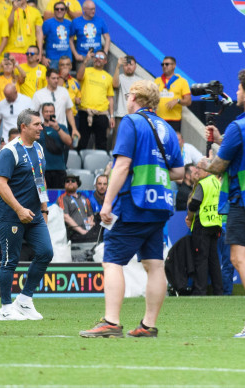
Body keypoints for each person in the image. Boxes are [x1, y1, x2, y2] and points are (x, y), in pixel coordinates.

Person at [80, 80, 184, 338]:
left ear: (135, 96)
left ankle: (111, 322)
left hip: (134, 202)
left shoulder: (131, 122)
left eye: (128, 95)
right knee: (155, 265)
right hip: (160, 203)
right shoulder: (168, 129)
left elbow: (122, 166)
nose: (126, 99)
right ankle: (148, 325)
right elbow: (180, 173)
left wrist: (106, 203)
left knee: (112, 261)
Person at [202, 69, 245, 337]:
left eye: (239, 89)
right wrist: (220, 140)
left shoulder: (239, 126)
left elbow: (218, 166)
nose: (236, 93)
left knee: (239, 258)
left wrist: (205, 163)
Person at [0, 109, 53, 320]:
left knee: (46, 252)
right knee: (11, 260)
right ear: (24, 127)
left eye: (41, 124)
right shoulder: (9, 151)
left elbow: (40, 179)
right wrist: (19, 209)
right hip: (12, 214)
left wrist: (44, 209)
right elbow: (0, 183)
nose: (41, 127)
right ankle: (5, 308)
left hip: (35, 214)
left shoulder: (38, 148)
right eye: (37, 124)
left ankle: (25, 300)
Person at [186, 160, 223, 296]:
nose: (196, 171)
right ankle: (218, 290)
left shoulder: (203, 184)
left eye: (199, 169)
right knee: (214, 259)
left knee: (201, 258)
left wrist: (189, 217)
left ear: (207, 170)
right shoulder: (216, 182)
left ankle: (200, 291)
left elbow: (194, 205)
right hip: (215, 224)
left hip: (202, 224)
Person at [76, 50, 114, 150]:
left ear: (105, 61)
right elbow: (79, 77)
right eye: (96, 56)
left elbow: (110, 97)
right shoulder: (86, 70)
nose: (98, 59)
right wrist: (85, 61)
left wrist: (112, 116)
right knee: (82, 142)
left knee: (101, 143)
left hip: (101, 114)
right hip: (85, 112)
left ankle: (100, 165)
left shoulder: (108, 77)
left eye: (101, 57)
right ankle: (79, 164)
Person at [32, 68, 78, 140]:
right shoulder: (38, 94)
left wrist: (74, 128)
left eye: (57, 78)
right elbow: (33, 114)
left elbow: (69, 111)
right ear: (47, 78)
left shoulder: (64, 91)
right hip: (45, 131)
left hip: (62, 130)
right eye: (53, 78)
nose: (56, 80)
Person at [58, 173, 101, 243]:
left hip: (89, 232)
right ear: (64, 185)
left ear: (77, 184)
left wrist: (90, 227)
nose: (70, 182)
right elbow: (65, 217)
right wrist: (82, 231)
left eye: (73, 181)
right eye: (67, 181)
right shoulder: (63, 198)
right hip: (75, 233)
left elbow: (90, 215)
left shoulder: (84, 198)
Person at [38, 102, 71, 189]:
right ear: (42, 113)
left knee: (58, 195)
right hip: (41, 171)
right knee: (41, 196)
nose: (49, 113)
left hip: (59, 169)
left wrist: (57, 129)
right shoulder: (37, 128)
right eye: (46, 111)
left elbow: (69, 142)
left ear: (54, 112)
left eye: (51, 111)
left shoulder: (62, 127)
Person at [154, 56, 191, 132]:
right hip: (159, 119)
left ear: (174, 66)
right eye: (162, 64)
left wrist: (177, 100)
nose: (164, 66)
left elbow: (188, 101)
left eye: (167, 64)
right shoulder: (157, 81)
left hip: (174, 120)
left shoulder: (182, 81)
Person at [111, 55, 141, 148]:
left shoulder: (140, 81)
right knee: (117, 141)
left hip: (135, 116)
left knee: (134, 141)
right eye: (126, 65)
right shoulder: (120, 77)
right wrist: (117, 66)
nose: (128, 67)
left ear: (135, 66)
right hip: (121, 115)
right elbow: (115, 85)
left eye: (131, 64)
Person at [41, 1, 72, 69]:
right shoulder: (47, 23)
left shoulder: (69, 23)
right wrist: (42, 57)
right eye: (57, 9)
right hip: (52, 59)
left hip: (67, 59)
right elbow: (40, 40)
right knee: (53, 79)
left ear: (65, 11)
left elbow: (71, 40)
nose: (59, 11)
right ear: (54, 11)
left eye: (62, 9)